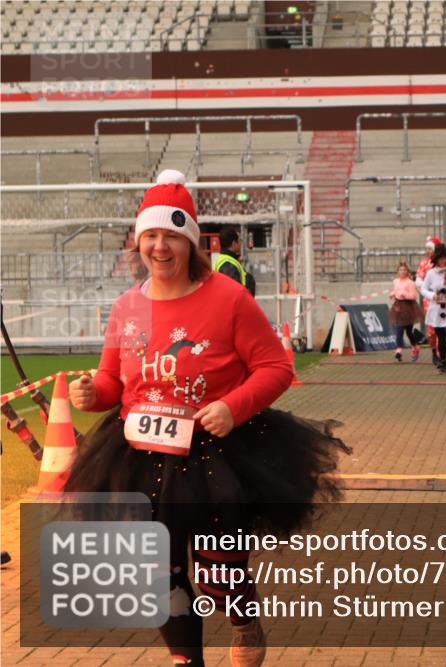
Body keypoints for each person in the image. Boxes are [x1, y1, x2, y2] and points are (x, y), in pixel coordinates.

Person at [64, 170, 342, 667]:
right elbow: (112, 381)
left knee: (219, 574)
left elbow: (276, 367)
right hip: (140, 458)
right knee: (159, 575)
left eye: (171, 236)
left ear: (191, 242)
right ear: (138, 241)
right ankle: (185, 660)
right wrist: (92, 393)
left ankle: (242, 620)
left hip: (219, 457)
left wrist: (232, 407)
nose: (160, 247)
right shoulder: (126, 306)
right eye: (150, 235)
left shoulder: (228, 298)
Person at [419, 244, 446, 374]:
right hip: (437, 309)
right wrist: (433, 296)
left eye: (445, 258)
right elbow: (423, 289)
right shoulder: (431, 273)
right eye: (441, 258)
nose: (443, 261)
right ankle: (442, 361)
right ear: (436, 260)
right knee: (441, 338)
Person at [415, 236, 442, 367]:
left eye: (430, 249)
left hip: (443, 299)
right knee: (431, 329)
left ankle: (440, 354)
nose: (428, 251)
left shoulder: (443, 263)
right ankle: (433, 350)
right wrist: (428, 287)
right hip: (429, 299)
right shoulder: (424, 263)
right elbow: (418, 280)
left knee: (441, 327)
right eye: (427, 249)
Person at [389, 261, 422, 362]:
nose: (402, 272)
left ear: (407, 271)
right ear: (397, 272)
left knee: (408, 331)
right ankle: (399, 350)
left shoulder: (410, 283)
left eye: (404, 270)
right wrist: (392, 294)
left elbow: (414, 296)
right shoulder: (396, 281)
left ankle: (415, 346)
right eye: (400, 270)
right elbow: (394, 290)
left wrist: (405, 294)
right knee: (399, 329)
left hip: (408, 308)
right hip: (398, 307)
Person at [213, 226, 256, 296]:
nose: (240, 243)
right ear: (233, 243)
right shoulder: (227, 265)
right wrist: (250, 281)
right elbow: (235, 294)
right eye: (239, 240)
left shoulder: (225, 259)